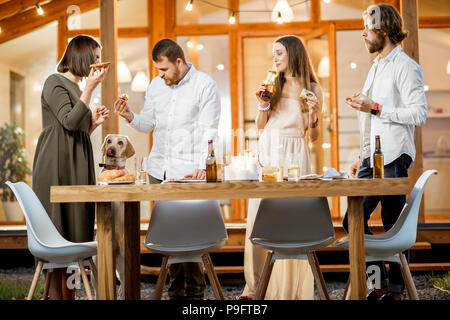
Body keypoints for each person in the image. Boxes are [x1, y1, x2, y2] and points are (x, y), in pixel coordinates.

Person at [114, 38, 221, 300]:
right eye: (157, 71)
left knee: (191, 233)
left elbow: (210, 129)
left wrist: (201, 166)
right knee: (171, 233)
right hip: (159, 169)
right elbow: (147, 123)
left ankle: (195, 295)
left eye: (164, 70)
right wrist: (129, 116)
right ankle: (175, 291)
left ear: (179, 62)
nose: (160, 76)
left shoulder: (204, 85)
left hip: (188, 172)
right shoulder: (155, 86)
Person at [343, 4, 427, 301]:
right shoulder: (377, 65)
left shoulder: (406, 67)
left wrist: (374, 107)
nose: (363, 33)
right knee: (352, 219)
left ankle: (395, 290)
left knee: (393, 224)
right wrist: (361, 155)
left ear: (385, 29)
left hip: (393, 156)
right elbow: (370, 118)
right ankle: (378, 285)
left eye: (368, 27)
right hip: (373, 157)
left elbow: (419, 114)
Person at [240, 35, 322, 300]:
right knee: (260, 214)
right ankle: (256, 288)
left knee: (292, 218)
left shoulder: (312, 88)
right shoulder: (271, 83)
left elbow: (314, 136)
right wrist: (263, 103)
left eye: (279, 53)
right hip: (269, 150)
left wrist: (315, 114)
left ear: (293, 54)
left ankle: (289, 289)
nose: (274, 58)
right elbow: (261, 125)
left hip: (296, 153)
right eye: (273, 54)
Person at [33, 35, 110, 300]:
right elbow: (67, 122)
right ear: (83, 57)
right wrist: (89, 90)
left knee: (75, 235)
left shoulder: (77, 88)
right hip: (57, 166)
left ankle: (69, 296)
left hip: (76, 162)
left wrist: (93, 124)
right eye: (96, 58)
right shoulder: (54, 82)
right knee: (59, 233)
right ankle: (58, 297)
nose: (98, 64)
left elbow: (77, 131)